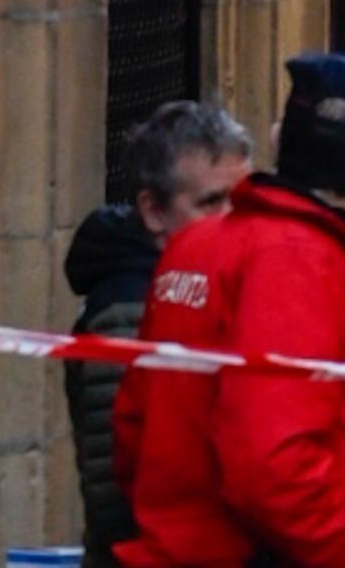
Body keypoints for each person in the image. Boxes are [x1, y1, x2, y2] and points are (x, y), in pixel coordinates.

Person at [114, 53, 345, 568]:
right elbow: (270, 465)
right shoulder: (301, 262)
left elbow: (135, 427)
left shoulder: (198, 248)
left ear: (275, 139)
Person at [65, 101, 253, 567]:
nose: (234, 220)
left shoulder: (206, 284)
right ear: (153, 210)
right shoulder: (129, 308)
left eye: (244, 201)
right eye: (211, 202)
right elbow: (118, 485)